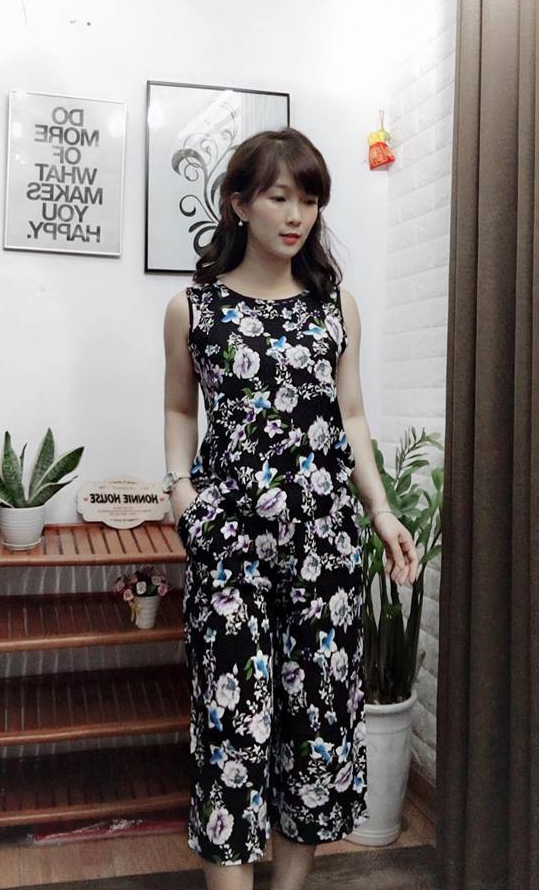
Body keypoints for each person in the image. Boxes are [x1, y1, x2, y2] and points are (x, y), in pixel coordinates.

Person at [162, 127, 419, 890]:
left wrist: (381, 513)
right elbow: (178, 407)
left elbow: (352, 416)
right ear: (239, 203)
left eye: (310, 200)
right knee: (231, 730)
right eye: (280, 196)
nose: (297, 215)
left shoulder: (337, 308)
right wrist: (181, 491)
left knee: (315, 729)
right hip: (229, 547)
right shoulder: (193, 308)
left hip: (324, 547)